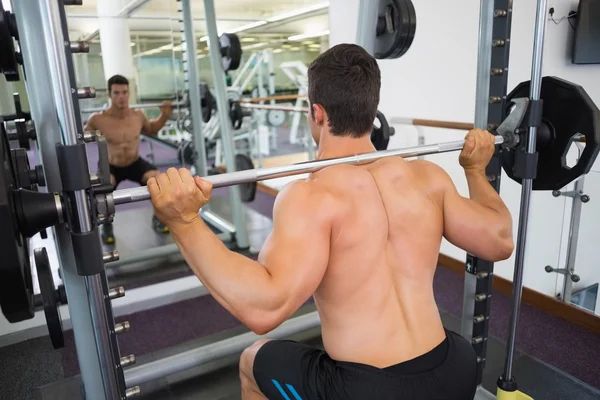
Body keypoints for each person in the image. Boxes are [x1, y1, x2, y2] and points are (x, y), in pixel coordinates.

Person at [148, 44, 514, 400]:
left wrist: (184, 222)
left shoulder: (311, 196)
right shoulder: (427, 177)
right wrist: (476, 171)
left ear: (317, 113)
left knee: (253, 361)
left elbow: (264, 309)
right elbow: (499, 240)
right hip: (454, 372)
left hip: (368, 390)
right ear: (372, 110)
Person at [84, 74, 173, 244]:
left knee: (156, 180)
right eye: (117, 93)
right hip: (111, 164)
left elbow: (151, 129)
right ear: (109, 95)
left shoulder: (137, 116)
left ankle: (158, 218)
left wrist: (164, 115)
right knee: (105, 188)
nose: (121, 97)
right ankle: (107, 225)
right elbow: (80, 137)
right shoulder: (98, 120)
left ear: (129, 93)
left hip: (134, 162)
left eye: (124, 92)